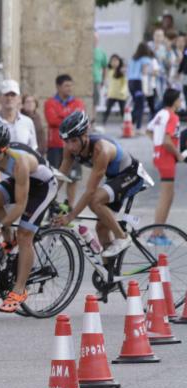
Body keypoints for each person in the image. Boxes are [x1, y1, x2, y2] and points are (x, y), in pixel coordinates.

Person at [0, 123, 57, 313]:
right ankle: (10, 240)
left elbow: (20, 205)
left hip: (42, 187)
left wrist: (3, 223)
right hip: (21, 182)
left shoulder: (20, 161)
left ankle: (19, 290)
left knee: (25, 234)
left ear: (5, 149)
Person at [55, 110, 149, 257]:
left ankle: (122, 237)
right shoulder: (69, 150)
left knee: (94, 200)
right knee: (101, 229)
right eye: (67, 141)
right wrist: (48, 196)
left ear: (85, 135)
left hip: (131, 175)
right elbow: (61, 175)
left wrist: (70, 216)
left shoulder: (101, 149)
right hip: (114, 179)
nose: (70, 146)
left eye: (74, 141)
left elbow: (90, 191)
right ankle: (110, 276)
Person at [147, 88, 183, 241]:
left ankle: (159, 231)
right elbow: (168, 141)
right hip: (167, 157)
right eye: (180, 99)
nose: (181, 102)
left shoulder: (161, 113)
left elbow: (148, 130)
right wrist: (178, 155)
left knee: (169, 195)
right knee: (166, 195)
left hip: (159, 155)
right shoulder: (173, 116)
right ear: (174, 101)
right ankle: (156, 233)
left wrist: (156, 146)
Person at [44, 74, 85, 204]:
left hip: (74, 147)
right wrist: (70, 117)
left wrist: (61, 116)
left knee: (73, 178)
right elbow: (52, 120)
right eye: (66, 85)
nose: (69, 88)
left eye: (71, 85)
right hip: (55, 145)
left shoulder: (78, 102)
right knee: (54, 177)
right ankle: (51, 205)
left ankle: (71, 206)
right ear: (58, 87)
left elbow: (79, 119)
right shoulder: (49, 103)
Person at [0, 79, 38, 149]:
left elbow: (33, 149)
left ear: (19, 99)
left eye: (13, 95)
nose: (9, 98)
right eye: (6, 95)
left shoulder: (28, 122)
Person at [128, 42, 154, 135]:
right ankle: (138, 127)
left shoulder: (133, 59)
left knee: (136, 104)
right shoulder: (145, 59)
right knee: (140, 106)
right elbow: (144, 72)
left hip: (130, 82)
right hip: (139, 83)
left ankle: (129, 123)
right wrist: (146, 88)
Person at [102, 55, 128, 125]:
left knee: (123, 110)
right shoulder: (109, 71)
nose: (114, 62)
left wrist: (123, 91)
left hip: (121, 94)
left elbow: (125, 82)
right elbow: (108, 82)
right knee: (108, 109)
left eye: (116, 61)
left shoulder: (122, 71)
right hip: (112, 93)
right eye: (112, 61)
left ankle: (126, 123)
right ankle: (103, 123)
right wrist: (106, 90)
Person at [94, 33, 109, 114]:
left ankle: (93, 120)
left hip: (96, 79)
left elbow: (105, 67)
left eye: (95, 39)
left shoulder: (101, 52)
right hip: (85, 80)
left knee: (95, 102)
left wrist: (104, 79)